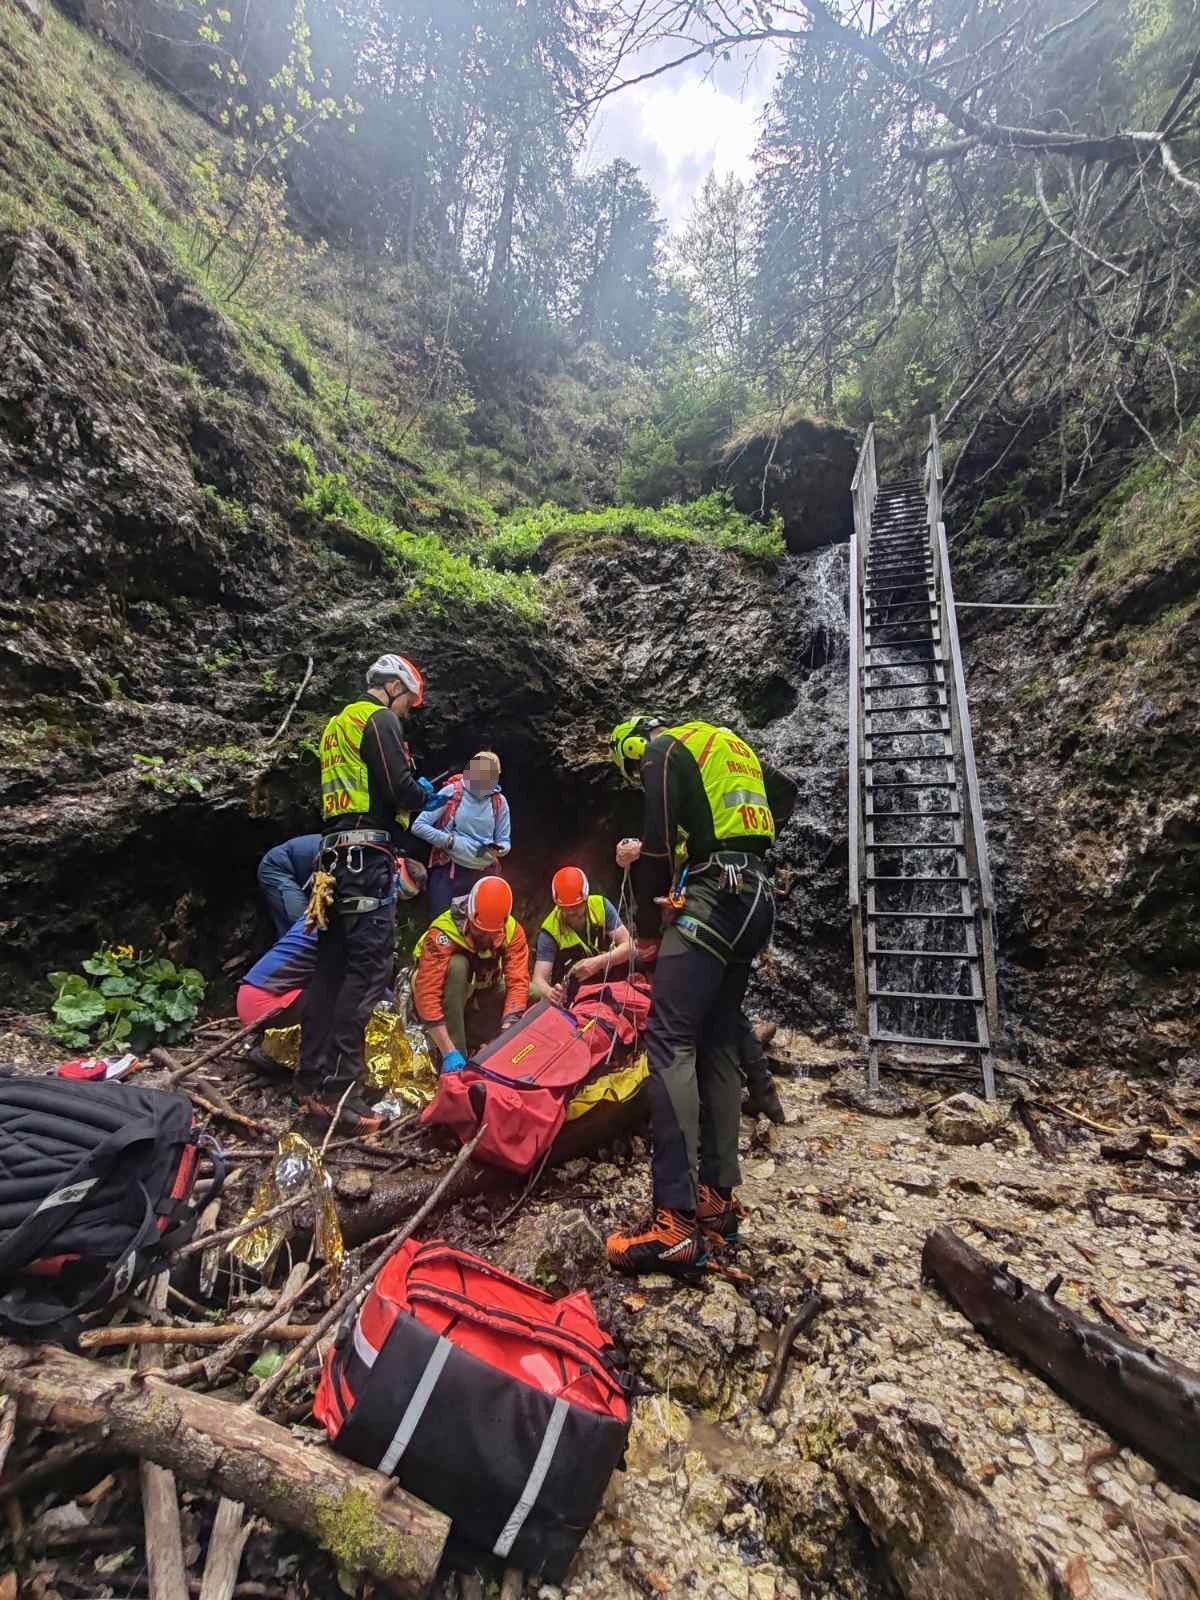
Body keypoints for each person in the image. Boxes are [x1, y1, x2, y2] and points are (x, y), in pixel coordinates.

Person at [604, 715, 794, 1278]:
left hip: (714, 899)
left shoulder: (662, 749)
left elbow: (658, 846)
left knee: (670, 1040)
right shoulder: (728, 747)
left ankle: (675, 1223)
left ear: (632, 747)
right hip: (756, 896)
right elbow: (779, 796)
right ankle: (717, 1199)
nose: (639, 776)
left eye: (633, 771)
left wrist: (647, 927)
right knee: (719, 1040)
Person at [296, 652, 433, 1131]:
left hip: (334, 860)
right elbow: (399, 789)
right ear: (394, 687)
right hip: (364, 860)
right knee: (368, 970)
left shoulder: (337, 726)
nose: (407, 712)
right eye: (408, 701)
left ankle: (311, 1081)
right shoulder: (379, 720)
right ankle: (342, 1093)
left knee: (330, 971)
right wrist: (423, 794)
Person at [413, 877, 530, 1071]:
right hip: (437, 995)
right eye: (481, 931)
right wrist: (449, 1051)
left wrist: (507, 1031)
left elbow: (518, 982)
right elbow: (427, 995)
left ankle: (487, 1045)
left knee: (535, 994)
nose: (486, 937)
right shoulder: (443, 933)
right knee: (457, 966)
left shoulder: (512, 931)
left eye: (492, 934)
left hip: (480, 991)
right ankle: (457, 1058)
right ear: (469, 915)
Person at [410, 751, 512, 917]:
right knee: (442, 924)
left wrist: (499, 850)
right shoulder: (453, 792)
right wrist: (450, 841)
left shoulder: (499, 802)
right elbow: (419, 826)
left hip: (482, 874)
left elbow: (504, 840)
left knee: (477, 925)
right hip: (449, 871)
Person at [530, 867, 633, 1004]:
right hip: (576, 984)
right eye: (565, 907)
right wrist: (550, 992)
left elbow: (630, 947)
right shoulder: (550, 929)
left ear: (585, 898)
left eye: (576, 906)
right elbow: (538, 979)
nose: (571, 912)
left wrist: (597, 963)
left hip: (607, 970)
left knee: (636, 961)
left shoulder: (601, 906)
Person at [256, 834, 321, 936]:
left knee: (291, 928)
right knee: (304, 924)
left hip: (299, 870)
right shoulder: (336, 849)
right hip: (276, 868)